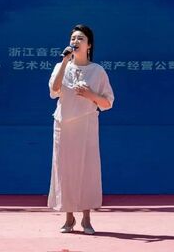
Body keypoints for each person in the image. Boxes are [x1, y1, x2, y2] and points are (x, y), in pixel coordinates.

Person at [47, 24, 115, 235]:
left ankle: (86, 218)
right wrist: (64, 62)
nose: (75, 42)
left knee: (87, 170)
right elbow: (54, 90)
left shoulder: (97, 71)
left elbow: (107, 102)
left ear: (89, 45)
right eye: (73, 38)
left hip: (86, 125)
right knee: (64, 169)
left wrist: (90, 94)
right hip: (63, 125)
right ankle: (69, 218)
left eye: (80, 39)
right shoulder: (61, 66)